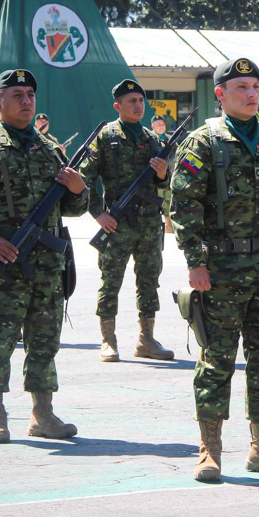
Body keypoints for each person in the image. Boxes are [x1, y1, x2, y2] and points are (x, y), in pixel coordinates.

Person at [170, 57, 259, 482]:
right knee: (217, 360)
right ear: (220, 95)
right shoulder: (202, 142)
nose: (251, 94)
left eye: (255, 87)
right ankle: (209, 450)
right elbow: (182, 206)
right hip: (221, 270)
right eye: (241, 88)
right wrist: (195, 261)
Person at [0, 69, 89, 444]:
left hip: (47, 266)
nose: (26, 101)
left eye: (30, 94)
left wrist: (79, 189)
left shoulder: (50, 148)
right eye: (17, 95)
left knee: (44, 341)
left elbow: (74, 208)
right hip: (2, 266)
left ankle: (43, 413)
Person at [78, 79, 173, 363]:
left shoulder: (152, 139)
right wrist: (98, 213)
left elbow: (167, 183)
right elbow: (85, 179)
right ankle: (108, 340)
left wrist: (162, 174)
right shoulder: (106, 137)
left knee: (149, 281)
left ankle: (146, 339)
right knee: (110, 282)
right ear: (117, 106)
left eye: (141, 101)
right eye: (131, 101)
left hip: (148, 224)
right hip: (117, 223)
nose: (138, 105)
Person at [150, 115, 175, 234]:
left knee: (169, 200)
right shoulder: (150, 139)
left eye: (162, 124)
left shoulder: (171, 140)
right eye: (158, 124)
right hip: (155, 177)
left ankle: (169, 224)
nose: (161, 126)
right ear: (153, 126)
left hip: (170, 176)